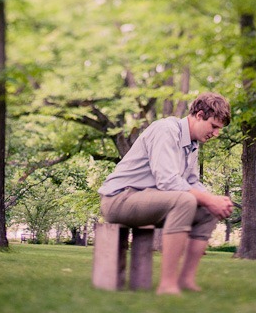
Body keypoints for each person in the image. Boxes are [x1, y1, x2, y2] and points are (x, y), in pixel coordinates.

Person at [98, 91, 233, 295]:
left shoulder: (192, 144)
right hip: (119, 199)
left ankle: (186, 280)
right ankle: (167, 285)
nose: (216, 133)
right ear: (198, 115)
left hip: (148, 200)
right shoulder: (166, 130)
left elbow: (191, 181)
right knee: (185, 201)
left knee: (208, 210)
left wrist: (215, 201)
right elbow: (167, 181)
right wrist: (207, 199)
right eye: (214, 126)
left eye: (219, 129)